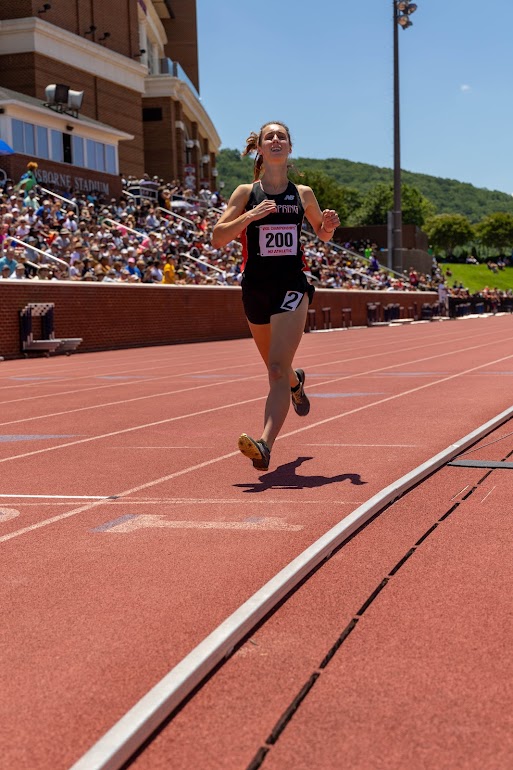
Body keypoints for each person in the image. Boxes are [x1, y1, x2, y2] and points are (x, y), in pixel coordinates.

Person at [212, 121, 340, 471]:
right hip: (255, 289)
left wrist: (327, 225)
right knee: (280, 370)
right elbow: (217, 237)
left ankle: (265, 444)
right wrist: (250, 216)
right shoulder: (244, 193)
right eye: (269, 136)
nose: (275, 140)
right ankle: (297, 383)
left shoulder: (303, 194)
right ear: (261, 148)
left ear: (289, 147)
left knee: (276, 369)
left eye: (281, 136)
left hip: (291, 287)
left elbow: (322, 234)